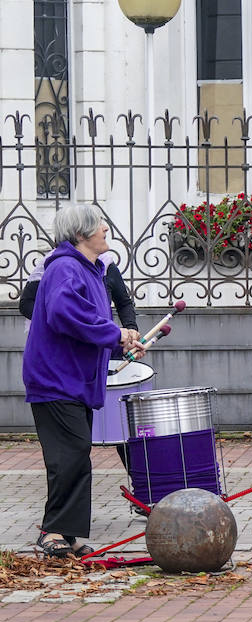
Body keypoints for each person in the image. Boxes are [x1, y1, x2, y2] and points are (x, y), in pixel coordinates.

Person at [24, 205, 145, 558]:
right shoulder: (64, 267)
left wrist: (122, 340)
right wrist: (115, 333)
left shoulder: (90, 270)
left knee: (76, 455)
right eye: (99, 225)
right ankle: (52, 531)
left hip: (74, 379)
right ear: (81, 234)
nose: (106, 229)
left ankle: (71, 532)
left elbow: (90, 323)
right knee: (69, 455)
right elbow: (66, 314)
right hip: (55, 378)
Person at [21, 251, 137, 329]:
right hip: (61, 348)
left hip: (102, 345)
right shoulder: (55, 265)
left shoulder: (106, 265)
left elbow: (124, 303)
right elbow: (26, 304)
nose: (105, 229)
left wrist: (131, 330)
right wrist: (57, 324)